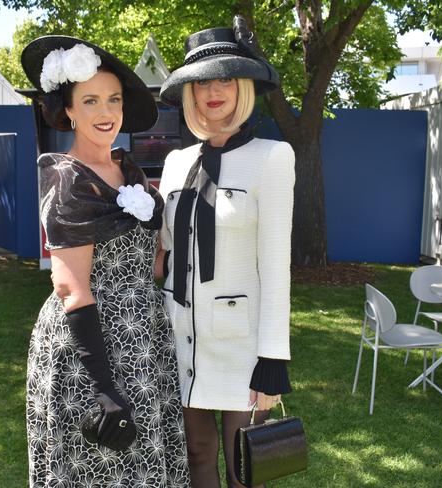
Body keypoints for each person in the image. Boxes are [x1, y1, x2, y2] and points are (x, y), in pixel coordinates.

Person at [21, 36, 190, 487]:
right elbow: (70, 287)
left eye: (113, 99)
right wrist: (102, 387)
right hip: (93, 347)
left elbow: (149, 260)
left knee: (144, 457)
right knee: (102, 464)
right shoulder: (65, 178)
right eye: (90, 100)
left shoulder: (127, 168)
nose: (105, 112)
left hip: (143, 336)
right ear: (69, 110)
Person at [156, 17, 295, 488]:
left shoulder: (273, 157)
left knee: (243, 466)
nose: (213, 91)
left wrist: (273, 358)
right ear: (189, 94)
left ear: (243, 87)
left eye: (225, 79)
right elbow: (168, 249)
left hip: (242, 343)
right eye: (201, 82)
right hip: (180, 335)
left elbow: (277, 268)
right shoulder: (176, 163)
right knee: (195, 453)